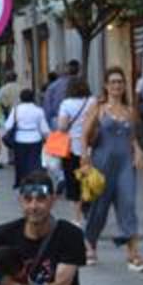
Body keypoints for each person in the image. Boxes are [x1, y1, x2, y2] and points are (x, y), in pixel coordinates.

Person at [81, 67, 143, 272]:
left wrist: (137, 151)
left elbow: (132, 137)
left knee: (128, 204)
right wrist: (85, 160)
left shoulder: (129, 110)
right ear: (106, 85)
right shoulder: (98, 107)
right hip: (102, 164)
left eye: (120, 82)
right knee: (98, 209)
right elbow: (84, 136)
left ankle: (133, 253)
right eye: (113, 82)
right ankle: (90, 244)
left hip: (125, 165)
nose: (117, 85)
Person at [56, 77, 94, 226]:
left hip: (71, 148)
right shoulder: (92, 102)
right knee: (89, 180)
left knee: (73, 182)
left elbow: (62, 126)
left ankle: (77, 218)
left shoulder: (66, 104)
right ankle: (89, 210)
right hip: (90, 148)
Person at [4, 88, 52, 188]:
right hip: (35, 138)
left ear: (21, 98)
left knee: (20, 163)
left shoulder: (16, 110)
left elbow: (8, 125)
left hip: (19, 139)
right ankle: (35, 181)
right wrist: (48, 137)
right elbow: (44, 128)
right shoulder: (38, 110)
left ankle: (21, 181)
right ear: (33, 98)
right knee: (34, 162)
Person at [41, 59, 79, 126]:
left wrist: (47, 121)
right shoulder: (77, 84)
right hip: (75, 119)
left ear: (57, 72)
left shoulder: (52, 87)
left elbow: (47, 107)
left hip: (57, 119)